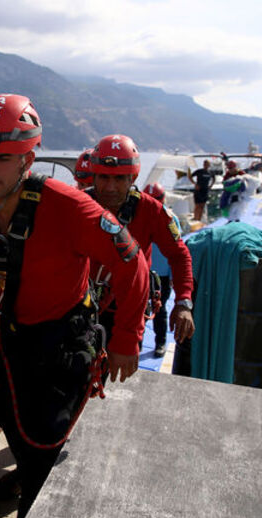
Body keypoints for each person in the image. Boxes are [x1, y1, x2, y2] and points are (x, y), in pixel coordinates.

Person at [0, 94, 149, 518]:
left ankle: (34, 517)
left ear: (28, 159)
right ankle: (28, 477)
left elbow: (133, 263)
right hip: (12, 343)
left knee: (45, 445)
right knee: (17, 430)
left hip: (62, 344)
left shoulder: (69, 207)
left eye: (2, 158)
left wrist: (126, 340)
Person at [87, 134, 195, 356]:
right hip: (84, 304)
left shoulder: (152, 211)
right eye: (104, 178)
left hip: (128, 309)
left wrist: (183, 302)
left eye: (119, 179)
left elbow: (179, 255)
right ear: (93, 176)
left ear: (132, 179)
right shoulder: (78, 205)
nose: (110, 187)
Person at [142, 182, 180, 357]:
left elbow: (177, 250)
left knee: (160, 309)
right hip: (142, 273)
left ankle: (160, 342)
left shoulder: (171, 219)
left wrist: (173, 274)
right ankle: (137, 343)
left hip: (162, 275)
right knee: (138, 308)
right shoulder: (137, 216)